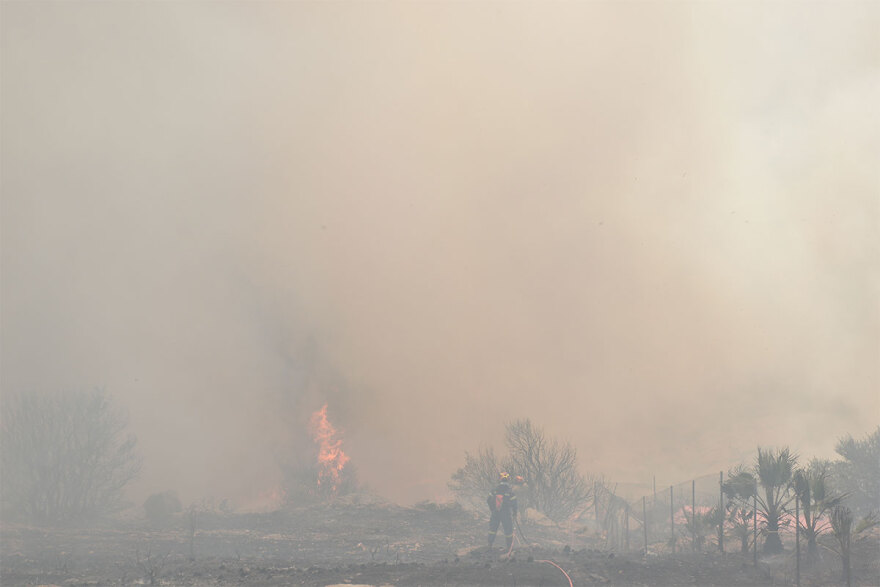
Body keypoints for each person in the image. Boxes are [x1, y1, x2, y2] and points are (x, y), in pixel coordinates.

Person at [487, 472, 518, 550]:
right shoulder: (509, 491)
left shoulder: (494, 490)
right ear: (508, 480)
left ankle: (489, 545)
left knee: (492, 529)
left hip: (495, 512)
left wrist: (492, 509)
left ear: (500, 479)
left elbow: (488, 500)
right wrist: (514, 513)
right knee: (508, 530)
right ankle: (509, 547)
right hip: (506, 513)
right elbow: (514, 504)